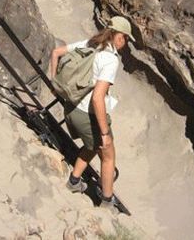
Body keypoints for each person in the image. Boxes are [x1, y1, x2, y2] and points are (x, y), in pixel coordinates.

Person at [50, 16, 135, 210]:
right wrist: (104, 133)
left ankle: (74, 182)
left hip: (70, 108)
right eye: (126, 38)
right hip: (87, 116)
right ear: (119, 36)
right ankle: (107, 201)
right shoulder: (110, 60)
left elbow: (56, 52)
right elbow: (97, 99)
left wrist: (55, 84)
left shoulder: (90, 43)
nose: (126, 42)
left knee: (92, 145)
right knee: (108, 156)